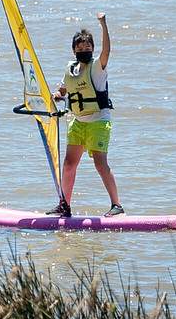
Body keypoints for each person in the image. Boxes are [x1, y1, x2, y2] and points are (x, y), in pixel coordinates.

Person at [46, 12, 124, 218]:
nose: (84, 51)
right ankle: (65, 206)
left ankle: (117, 205)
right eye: (80, 49)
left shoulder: (98, 67)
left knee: (100, 164)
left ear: (92, 49)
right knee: (69, 164)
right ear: (74, 51)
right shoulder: (70, 69)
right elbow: (63, 90)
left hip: (98, 121)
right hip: (78, 122)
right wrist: (56, 96)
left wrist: (103, 24)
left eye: (87, 48)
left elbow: (107, 50)